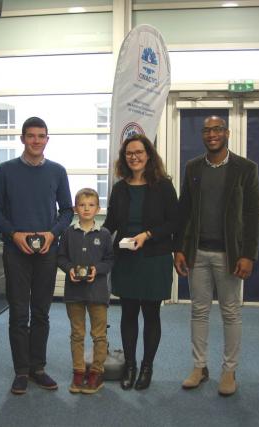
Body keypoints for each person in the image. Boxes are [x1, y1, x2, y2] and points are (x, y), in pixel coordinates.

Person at [174, 115, 259, 396]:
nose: (212, 134)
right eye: (207, 130)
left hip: (229, 255)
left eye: (217, 129)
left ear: (227, 133)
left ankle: (229, 370)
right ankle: (200, 367)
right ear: (202, 135)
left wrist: (248, 254)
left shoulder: (245, 169)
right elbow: (184, 211)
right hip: (197, 253)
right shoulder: (193, 168)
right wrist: (178, 248)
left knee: (230, 313)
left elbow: (252, 215)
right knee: (198, 311)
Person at [0, 116, 73, 395]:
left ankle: (38, 368)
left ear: (47, 139)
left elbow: (67, 211)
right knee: (18, 313)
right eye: (31, 135)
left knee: (41, 312)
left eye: (41, 136)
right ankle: (21, 371)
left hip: (47, 251)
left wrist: (52, 234)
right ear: (22, 138)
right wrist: (15, 235)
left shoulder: (58, 171)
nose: (36, 140)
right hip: (16, 251)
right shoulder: (4, 171)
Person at [103, 134, 179, 391]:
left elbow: (174, 222)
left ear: (149, 154)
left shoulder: (163, 186)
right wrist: (91, 234)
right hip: (126, 259)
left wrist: (148, 235)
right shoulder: (120, 188)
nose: (134, 157)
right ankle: (130, 365)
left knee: (151, 314)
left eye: (138, 152)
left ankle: (147, 367)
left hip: (153, 258)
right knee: (128, 314)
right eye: (129, 153)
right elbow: (111, 222)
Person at [57, 188, 114, 394]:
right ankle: (79, 372)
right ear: (75, 208)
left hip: (97, 293)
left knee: (99, 335)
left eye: (91, 205)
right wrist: (69, 269)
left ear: (98, 208)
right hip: (74, 294)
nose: (87, 209)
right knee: (77, 334)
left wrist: (96, 271)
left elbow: (109, 260)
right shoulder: (68, 233)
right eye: (82, 205)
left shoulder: (105, 234)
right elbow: (61, 257)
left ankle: (96, 373)